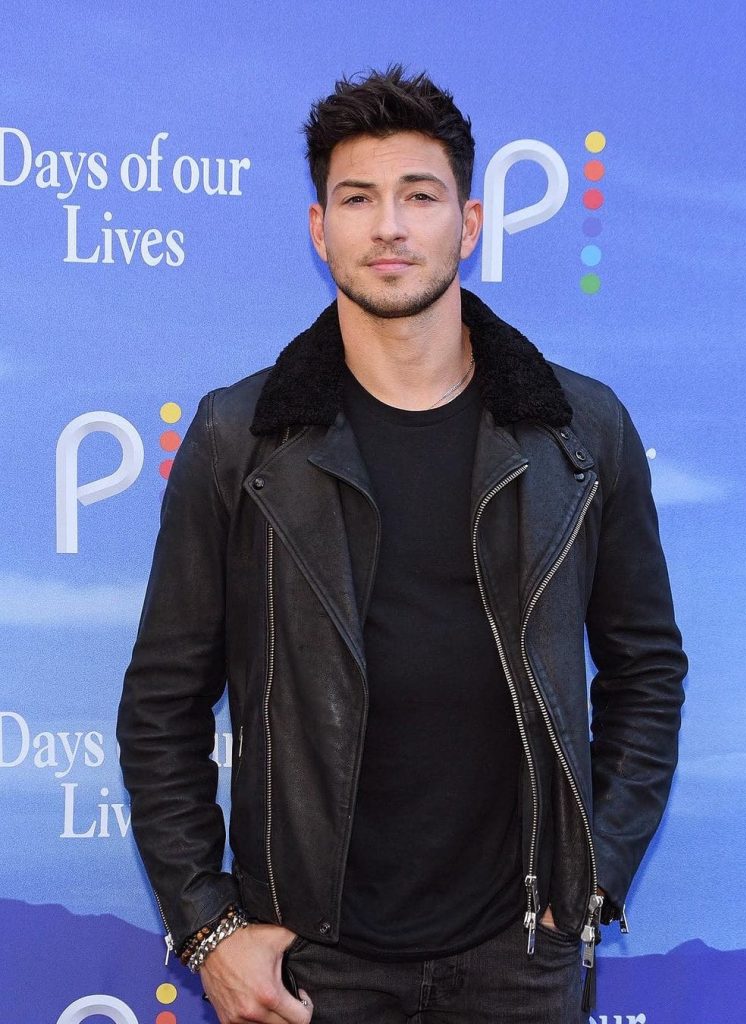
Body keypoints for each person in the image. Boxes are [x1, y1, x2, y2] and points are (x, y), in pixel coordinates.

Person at [117, 65, 687, 1024]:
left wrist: (588, 884)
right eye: (357, 198)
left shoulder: (578, 434)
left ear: (469, 224)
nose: (388, 225)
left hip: (522, 954)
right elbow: (161, 704)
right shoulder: (239, 440)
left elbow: (646, 670)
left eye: (419, 196)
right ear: (319, 229)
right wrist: (209, 927)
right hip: (311, 962)